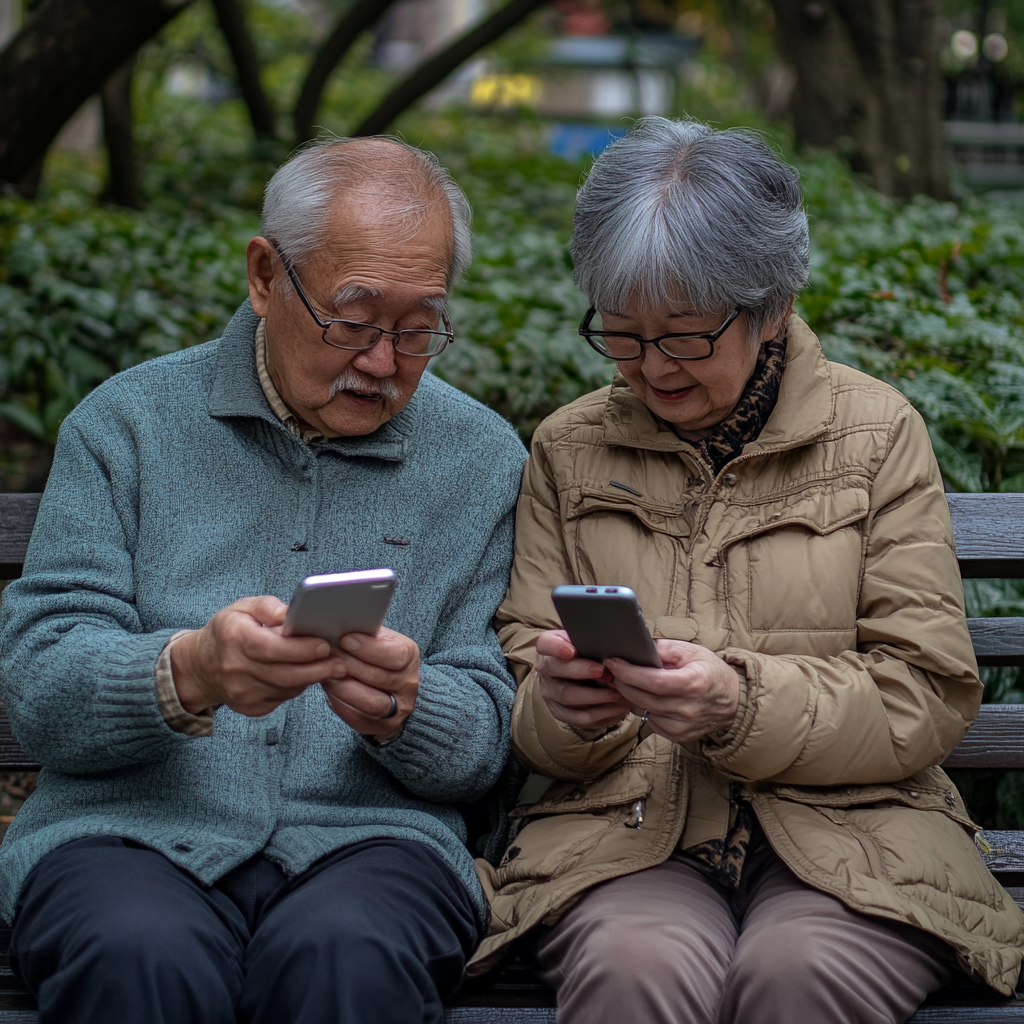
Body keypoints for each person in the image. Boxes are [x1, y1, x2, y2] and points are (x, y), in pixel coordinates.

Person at [470, 117, 1024, 1022]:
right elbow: (524, 679)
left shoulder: (876, 433)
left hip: (858, 831)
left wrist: (741, 702)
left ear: (772, 306)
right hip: (628, 835)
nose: (651, 368)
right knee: (633, 968)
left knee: (799, 972)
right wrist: (564, 709)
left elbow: (925, 689)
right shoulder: (570, 449)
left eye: (684, 337)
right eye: (622, 334)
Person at [0, 137, 527, 1024]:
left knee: (346, 959)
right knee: (137, 956)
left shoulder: (479, 460)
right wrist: (186, 672)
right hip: (125, 832)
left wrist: (409, 706)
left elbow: (488, 740)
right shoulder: (127, 426)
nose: (383, 361)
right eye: (353, 320)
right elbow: (41, 687)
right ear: (264, 276)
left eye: (419, 327)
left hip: (374, 844)